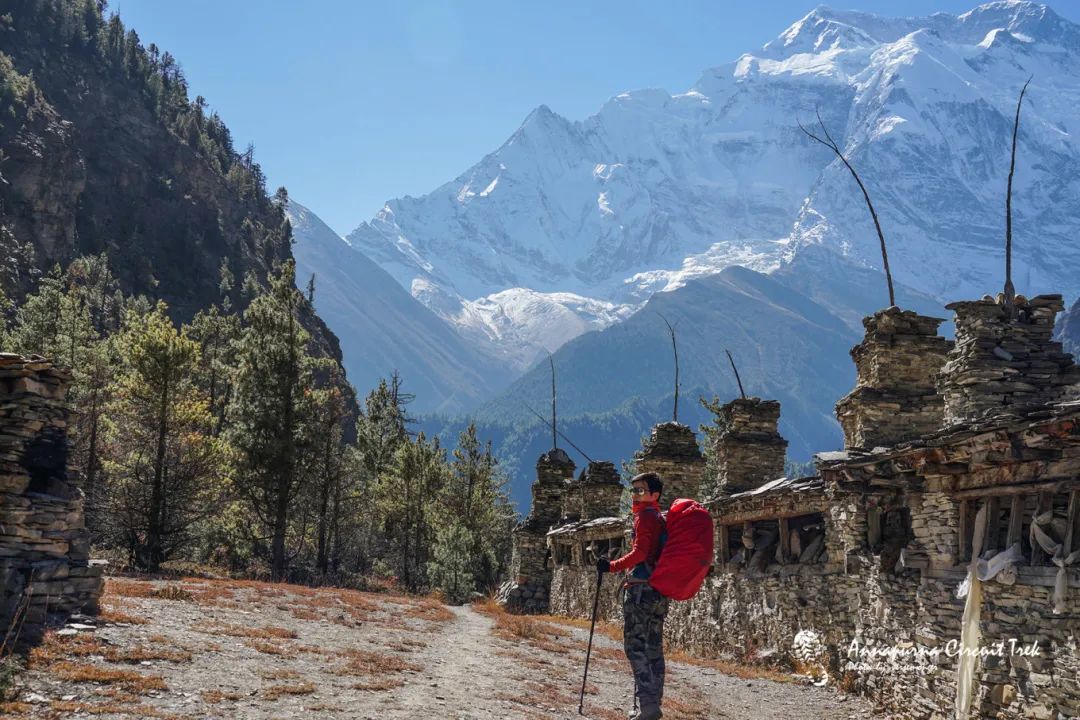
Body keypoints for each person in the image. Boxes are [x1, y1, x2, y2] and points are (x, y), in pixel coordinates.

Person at [597, 471, 668, 720]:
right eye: (633, 489)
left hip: (640, 591)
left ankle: (648, 706)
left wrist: (612, 566)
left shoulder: (645, 518)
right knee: (653, 647)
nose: (635, 495)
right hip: (659, 591)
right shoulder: (658, 517)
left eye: (640, 490)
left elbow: (639, 553)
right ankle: (652, 703)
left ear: (654, 495)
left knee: (635, 646)